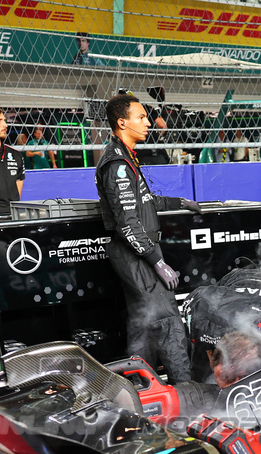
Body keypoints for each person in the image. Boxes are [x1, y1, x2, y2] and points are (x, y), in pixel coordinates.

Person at [95, 92, 199, 381]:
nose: (148, 122)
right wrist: (157, 261)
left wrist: (181, 203)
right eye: (141, 117)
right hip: (136, 254)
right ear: (121, 122)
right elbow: (127, 223)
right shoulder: (116, 163)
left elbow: (146, 202)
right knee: (167, 319)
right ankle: (186, 389)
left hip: (138, 251)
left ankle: (142, 385)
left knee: (143, 322)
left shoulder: (126, 156)